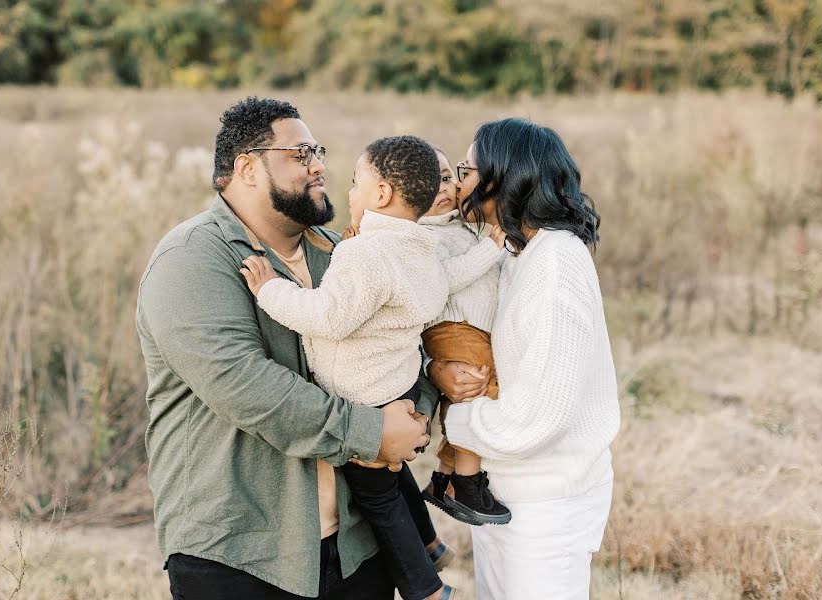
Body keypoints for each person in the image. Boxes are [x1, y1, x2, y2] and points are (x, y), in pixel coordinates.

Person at [136, 97, 434, 600]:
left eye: (316, 151)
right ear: (247, 167)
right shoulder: (191, 261)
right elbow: (248, 388)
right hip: (240, 552)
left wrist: (419, 408)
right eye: (300, 154)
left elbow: (399, 340)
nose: (319, 164)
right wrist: (372, 431)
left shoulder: (343, 251)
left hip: (356, 544)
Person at [240, 136, 456, 600]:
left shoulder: (365, 254)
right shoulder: (421, 249)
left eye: (356, 184)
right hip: (397, 383)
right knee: (395, 475)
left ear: (381, 195)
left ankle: (427, 589)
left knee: (378, 496)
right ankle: (433, 543)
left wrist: (269, 291)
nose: (350, 194)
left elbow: (328, 316)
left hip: (363, 395)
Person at [428, 118, 621, 599]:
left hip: (546, 501)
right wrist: (438, 370)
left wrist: (458, 421)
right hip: (506, 488)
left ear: (504, 177)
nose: (459, 183)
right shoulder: (517, 250)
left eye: (467, 170)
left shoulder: (556, 263)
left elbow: (541, 414)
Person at [418, 147, 511, 526]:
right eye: (424, 184)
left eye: (444, 177)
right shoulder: (421, 237)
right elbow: (445, 281)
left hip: (474, 327)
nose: (441, 189)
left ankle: (444, 476)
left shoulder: (462, 222)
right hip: (452, 327)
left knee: (479, 390)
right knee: (478, 389)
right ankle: (467, 481)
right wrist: (490, 247)